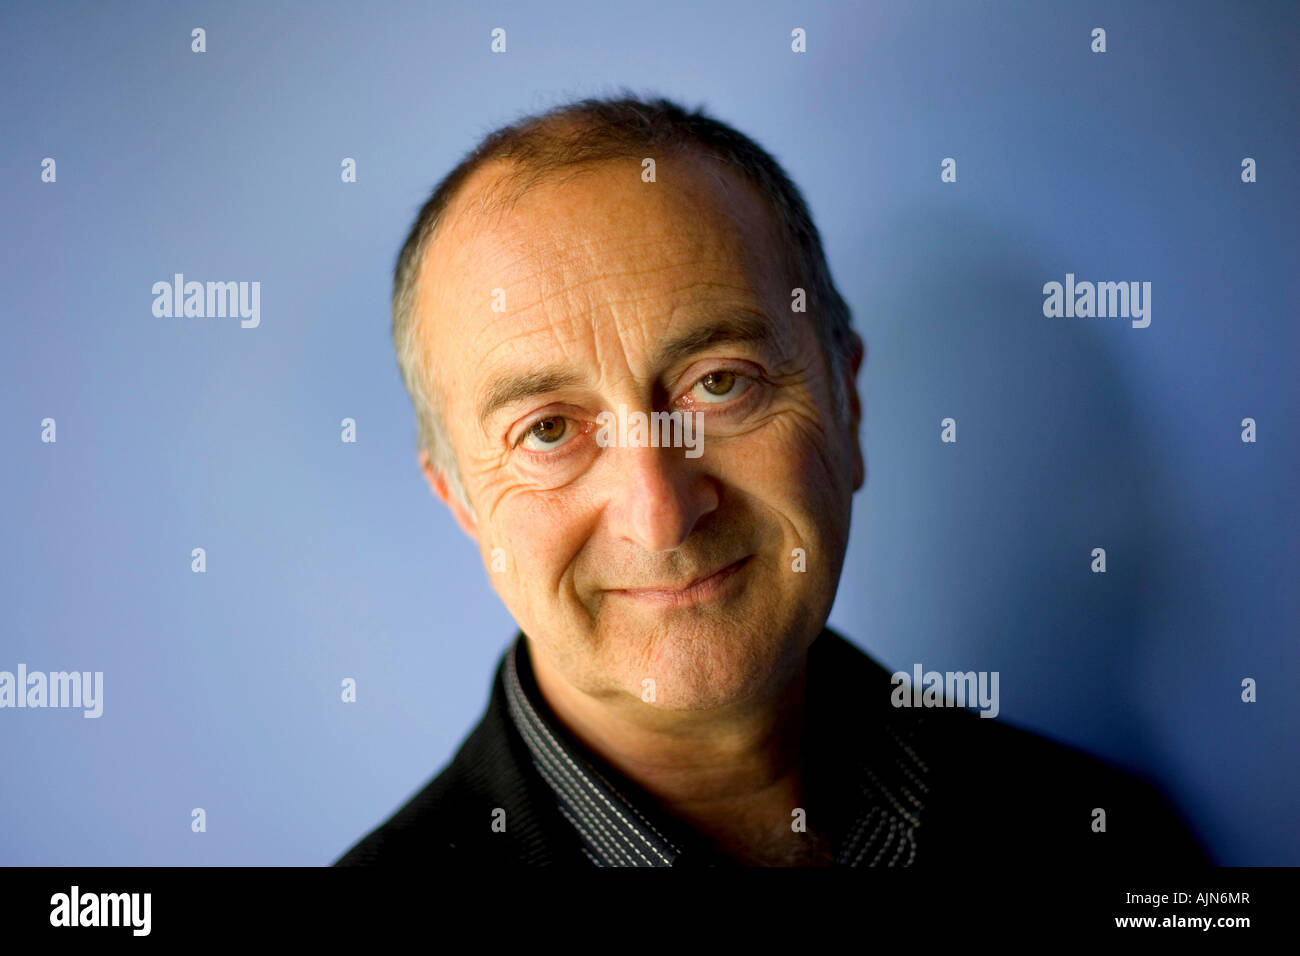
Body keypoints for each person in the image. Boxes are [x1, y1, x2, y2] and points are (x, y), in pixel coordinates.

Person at [335, 94, 1209, 867]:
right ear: (461, 504)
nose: (662, 513)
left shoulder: (1114, 837)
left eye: (720, 383)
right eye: (550, 431)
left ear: (848, 406)